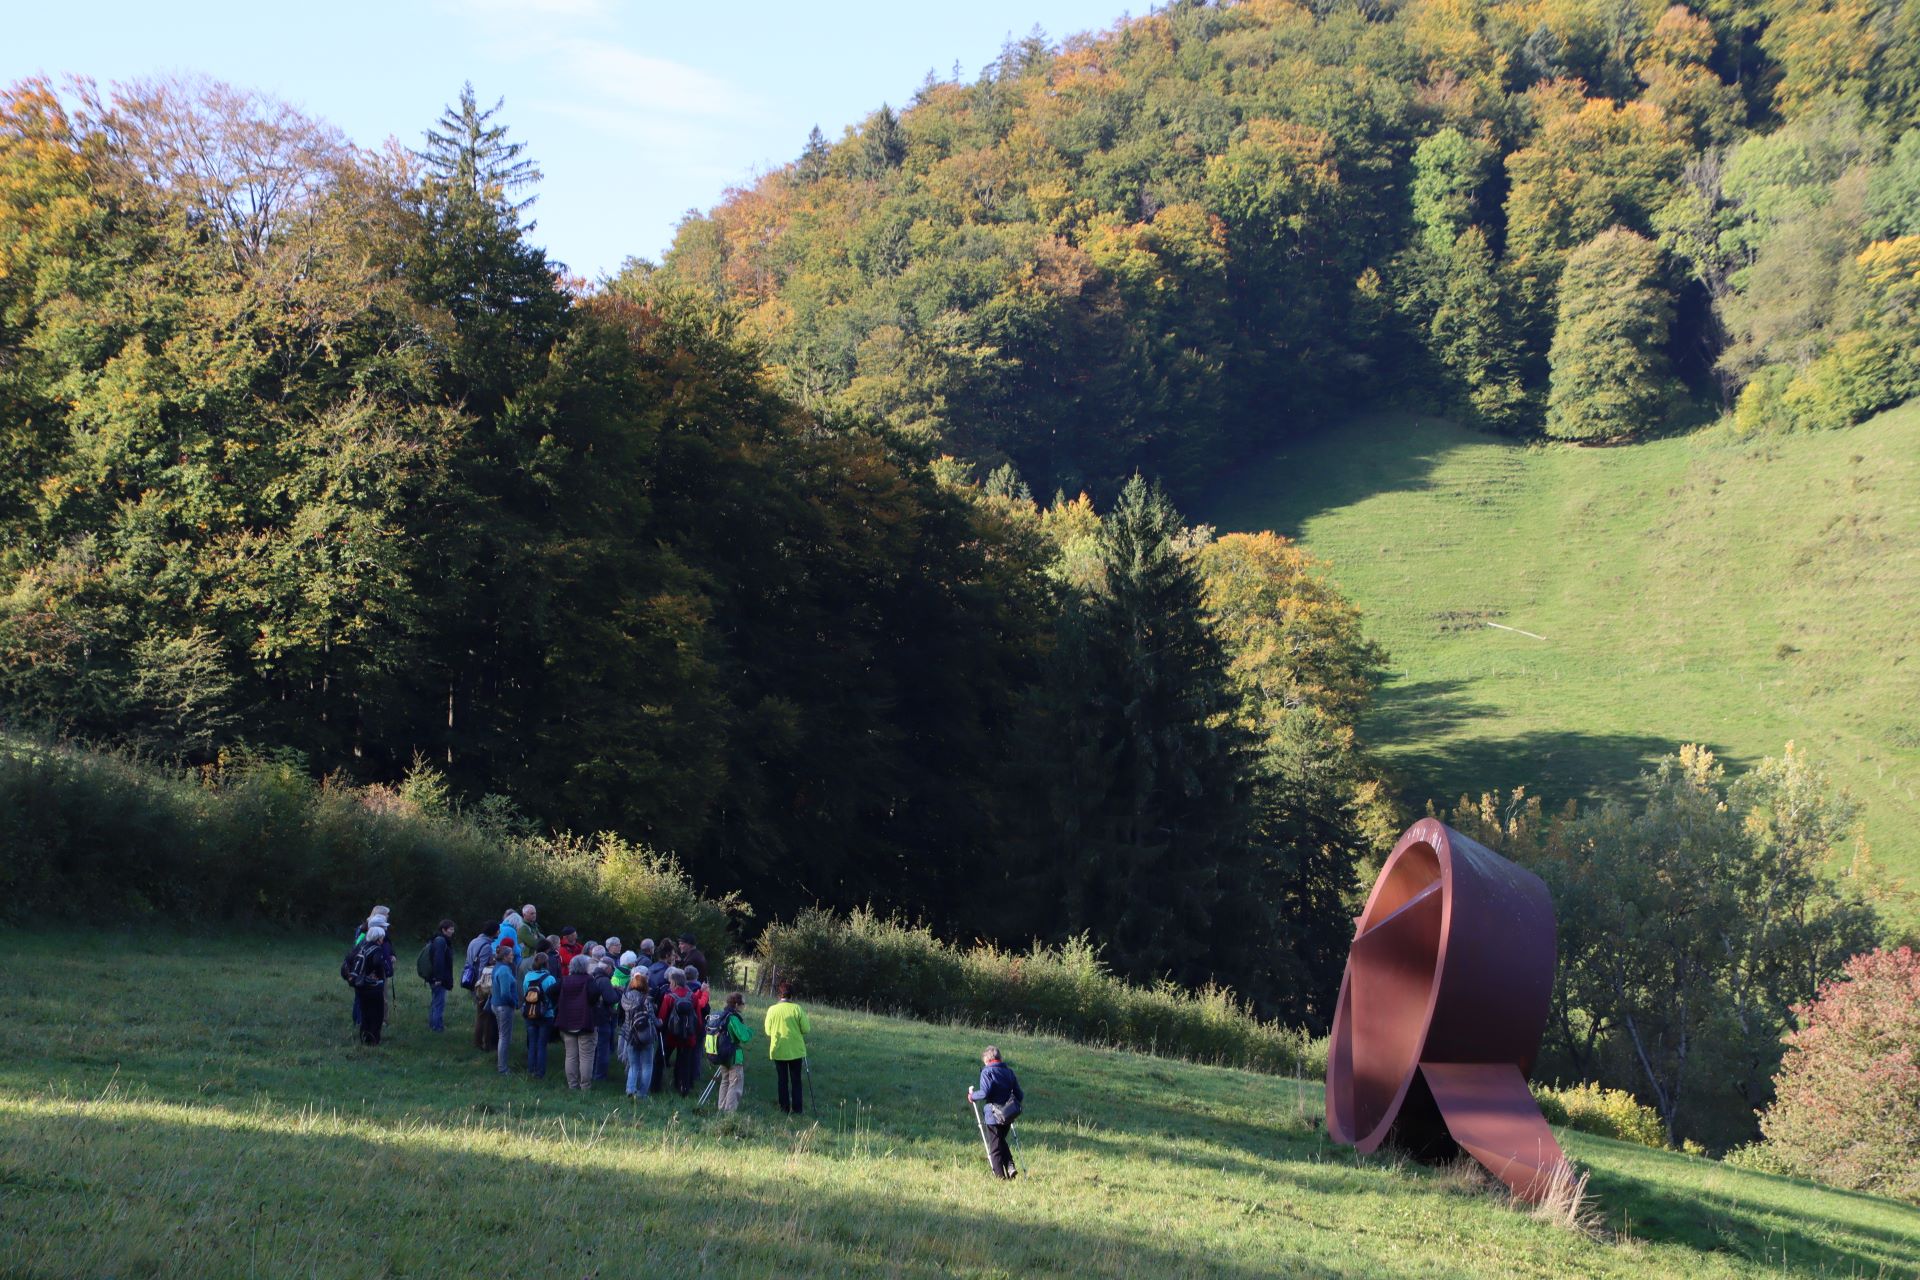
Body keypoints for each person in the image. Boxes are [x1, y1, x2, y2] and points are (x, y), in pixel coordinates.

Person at [967, 1046, 1023, 1179]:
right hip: (1008, 1114)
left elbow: (985, 1092)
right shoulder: (1009, 1072)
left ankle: (1000, 1178)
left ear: (988, 1059)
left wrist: (972, 1095)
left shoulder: (987, 1072)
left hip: (993, 1114)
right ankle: (1010, 1166)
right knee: (1001, 1141)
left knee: (995, 1147)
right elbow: (1019, 1095)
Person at [555, 954, 604, 1090]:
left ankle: (572, 1085)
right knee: (586, 1056)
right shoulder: (589, 980)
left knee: (570, 1055)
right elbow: (595, 994)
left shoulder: (565, 980)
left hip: (567, 1021)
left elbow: (550, 990)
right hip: (585, 1022)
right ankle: (585, 1086)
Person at [763, 982, 811, 1115]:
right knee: (796, 1080)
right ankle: (797, 1109)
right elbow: (806, 1029)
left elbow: (767, 1031)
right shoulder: (797, 1009)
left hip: (778, 1049)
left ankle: (784, 1108)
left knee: (782, 1080)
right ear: (792, 995)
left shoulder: (772, 1009)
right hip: (796, 1050)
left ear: (780, 994)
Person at [343, 924, 392, 1045]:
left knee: (365, 1013)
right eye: (382, 937)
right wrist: (379, 974)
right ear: (378, 938)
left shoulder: (361, 946)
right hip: (374, 987)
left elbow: (348, 959)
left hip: (360, 986)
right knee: (377, 1014)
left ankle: (364, 1038)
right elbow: (377, 962)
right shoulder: (377, 949)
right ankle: (374, 1039)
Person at [706, 992, 754, 1113]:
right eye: (743, 1004)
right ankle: (729, 1112)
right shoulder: (733, 1018)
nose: (744, 1006)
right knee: (735, 1083)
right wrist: (750, 1030)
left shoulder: (722, 1015)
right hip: (734, 1056)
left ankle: (721, 1108)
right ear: (737, 1004)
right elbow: (744, 1037)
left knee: (725, 1081)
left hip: (722, 1054)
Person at [659, 967, 703, 1096]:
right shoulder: (692, 997)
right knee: (684, 1062)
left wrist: (660, 1028)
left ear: (674, 982)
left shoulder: (669, 996)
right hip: (688, 1034)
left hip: (671, 1034)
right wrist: (696, 1031)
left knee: (660, 1059)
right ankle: (683, 1086)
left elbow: (662, 1016)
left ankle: (656, 1085)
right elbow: (698, 1017)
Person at [617, 977, 659, 1098]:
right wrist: (659, 1022)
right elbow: (652, 1018)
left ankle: (630, 1089)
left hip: (630, 1034)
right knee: (647, 1065)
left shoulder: (625, 998)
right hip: (646, 1035)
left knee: (633, 1064)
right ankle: (642, 1093)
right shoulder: (646, 1000)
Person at [522, 953, 557, 1078]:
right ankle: (540, 1072)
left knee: (532, 1043)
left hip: (530, 1012)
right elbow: (553, 997)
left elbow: (525, 992)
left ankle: (531, 1069)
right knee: (542, 1044)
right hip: (545, 1014)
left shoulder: (527, 976)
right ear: (547, 964)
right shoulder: (550, 978)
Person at [490, 944, 520, 1075]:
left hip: (496, 1004)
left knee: (503, 1035)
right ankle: (502, 1068)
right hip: (504, 1006)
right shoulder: (504, 971)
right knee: (504, 1037)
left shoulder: (497, 967)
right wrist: (515, 1003)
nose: (513, 955)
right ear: (505, 956)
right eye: (511, 954)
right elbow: (505, 993)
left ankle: (501, 1064)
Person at [590, 957, 620, 1082]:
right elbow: (611, 999)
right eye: (612, 969)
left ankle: (590, 1072)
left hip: (592, 1017)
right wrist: (617, 992)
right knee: (603, 1048)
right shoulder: (604, 981)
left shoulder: (592, 977)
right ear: (608, 968)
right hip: (602, 1017)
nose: (613, 972)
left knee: (593, 1048)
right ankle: (600, 1076)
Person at [424, 919, 456, 1032]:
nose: (453, 931)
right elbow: (438, 960)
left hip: (434, 976)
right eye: (451, 929)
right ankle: (437, 1027)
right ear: (444, 930)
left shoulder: (436, 940)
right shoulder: (441, 941)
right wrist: (438, 978)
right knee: (439, 1003)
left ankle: (433, 1024)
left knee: (435, 1001)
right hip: (438, 978)